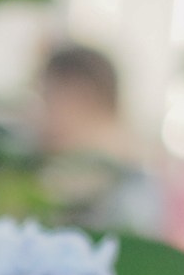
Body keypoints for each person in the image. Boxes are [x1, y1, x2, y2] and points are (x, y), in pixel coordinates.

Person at [35, 41, 163, 237]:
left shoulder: (125, 195)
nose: (36, 116)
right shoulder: (135, 180)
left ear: (79, 96)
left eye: (46, 98)